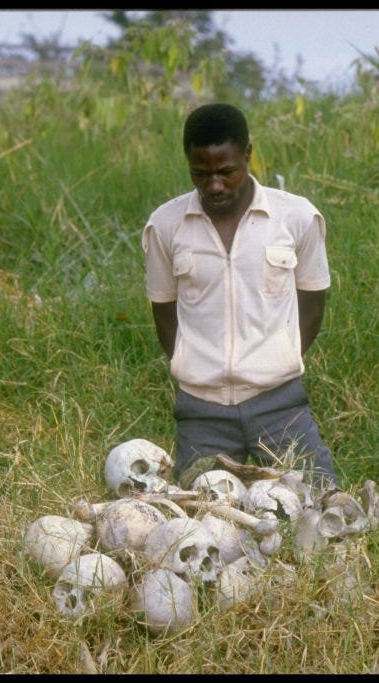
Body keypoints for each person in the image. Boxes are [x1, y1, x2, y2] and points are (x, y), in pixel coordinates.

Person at [141, 102, 337, 488]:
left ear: (248, 155)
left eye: (226, 172)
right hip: (201, 412)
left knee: (322, 503)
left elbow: (313, 304)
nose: (214, 185)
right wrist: (194, 363)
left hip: (280, 405)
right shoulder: (165, 225)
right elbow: (163, 312)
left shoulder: (296, 218)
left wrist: (277, 358)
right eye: (201, 173)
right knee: (200, 520)